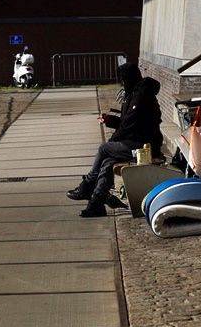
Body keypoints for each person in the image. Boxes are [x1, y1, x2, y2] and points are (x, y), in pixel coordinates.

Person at [67, 63, 162, 217]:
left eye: (123, 80)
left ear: (129, 78)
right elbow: (127, 123)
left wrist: (113, 141)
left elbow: (129, 125)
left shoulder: (141, 96)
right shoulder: (133, 93)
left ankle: (87, 185)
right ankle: (97, 202)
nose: (122, 83)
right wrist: (111, 120)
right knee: (107, 162)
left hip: (144, 146)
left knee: (104, 149)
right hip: (134, 141)